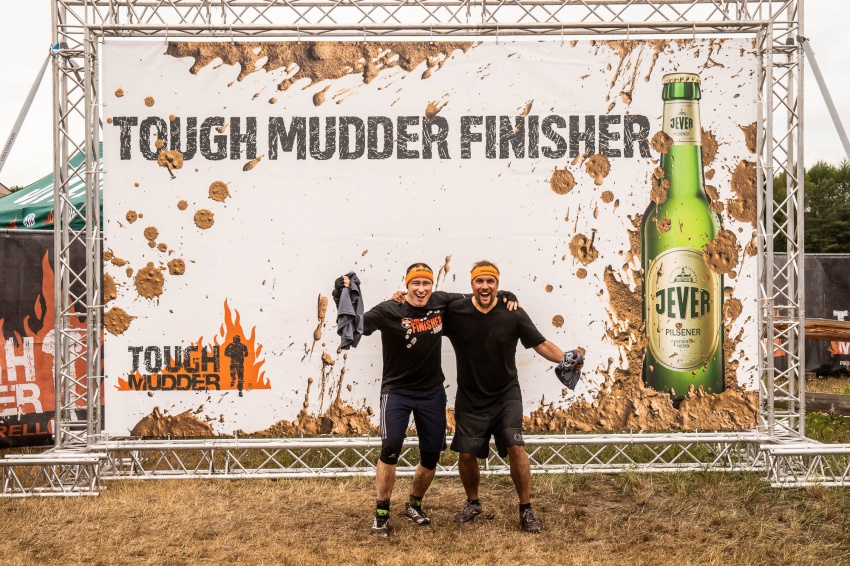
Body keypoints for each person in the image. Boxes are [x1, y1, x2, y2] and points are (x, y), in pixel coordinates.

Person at [335, 263, 517, 536]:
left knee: (431, 455)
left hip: (431, 393)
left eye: (426, 283)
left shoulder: (441, 302)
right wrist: (341, 296)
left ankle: (414, 504)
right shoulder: (389, 309)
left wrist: (505, 294)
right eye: (415, 283)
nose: (421, 289)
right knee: (390, 450)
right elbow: (356, 324)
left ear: (432, 285)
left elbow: (478, 296)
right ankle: (381, 514)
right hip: (396, 392)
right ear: (406, 285)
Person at [443, 260, 582, 533]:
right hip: (470, 397)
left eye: (490, 281)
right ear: (472, 284)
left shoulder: (513, 313)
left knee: (516, 446)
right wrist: (401, 301)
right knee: (467, 454)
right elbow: (428, 316)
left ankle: (526, 509)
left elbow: (540, 343)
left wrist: (566, 358)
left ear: (497, 284)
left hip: (506, 394)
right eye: (480, 281)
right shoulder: (457, 312)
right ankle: (473, 502)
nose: (485, 286)